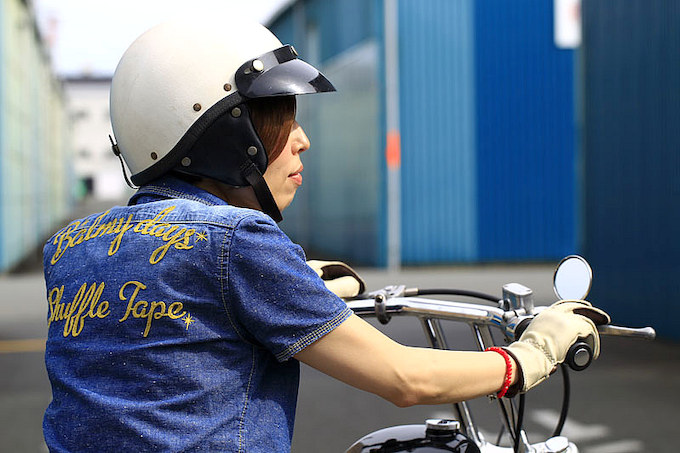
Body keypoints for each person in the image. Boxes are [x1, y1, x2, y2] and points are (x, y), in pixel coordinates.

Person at [42, 18, 610, 452]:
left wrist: (298, 281)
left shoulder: (70, 248)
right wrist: (532, 353)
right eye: (279, 119)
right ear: (222, 135)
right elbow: (405, 378)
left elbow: (175, 315)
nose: (301, 139)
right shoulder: (238, 243)